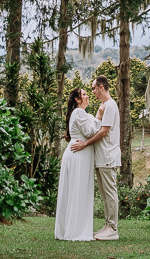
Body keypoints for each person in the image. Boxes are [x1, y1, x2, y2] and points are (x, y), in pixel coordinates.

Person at [71, 76, 120, 241]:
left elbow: (104, 132)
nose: (92, 92)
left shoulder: (110, 106)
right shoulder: (103, 107)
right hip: (100, 158)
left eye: (93, 89)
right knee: (105, 195)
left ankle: (113, 228)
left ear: (100, 87)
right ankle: (107, 225)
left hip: (108, 156)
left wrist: (85, 144)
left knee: (110, 193)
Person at [54, 88, 99, 241]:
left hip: (77, 153)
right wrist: (98, 118)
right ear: (78, 100)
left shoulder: (79, 114)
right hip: (78, 154)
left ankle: (70, 229)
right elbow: (89, 132)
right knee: (78, 190)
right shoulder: (79, 112)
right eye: (84, 94)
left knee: (74, 191)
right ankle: (76, 231)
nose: (88, 96)